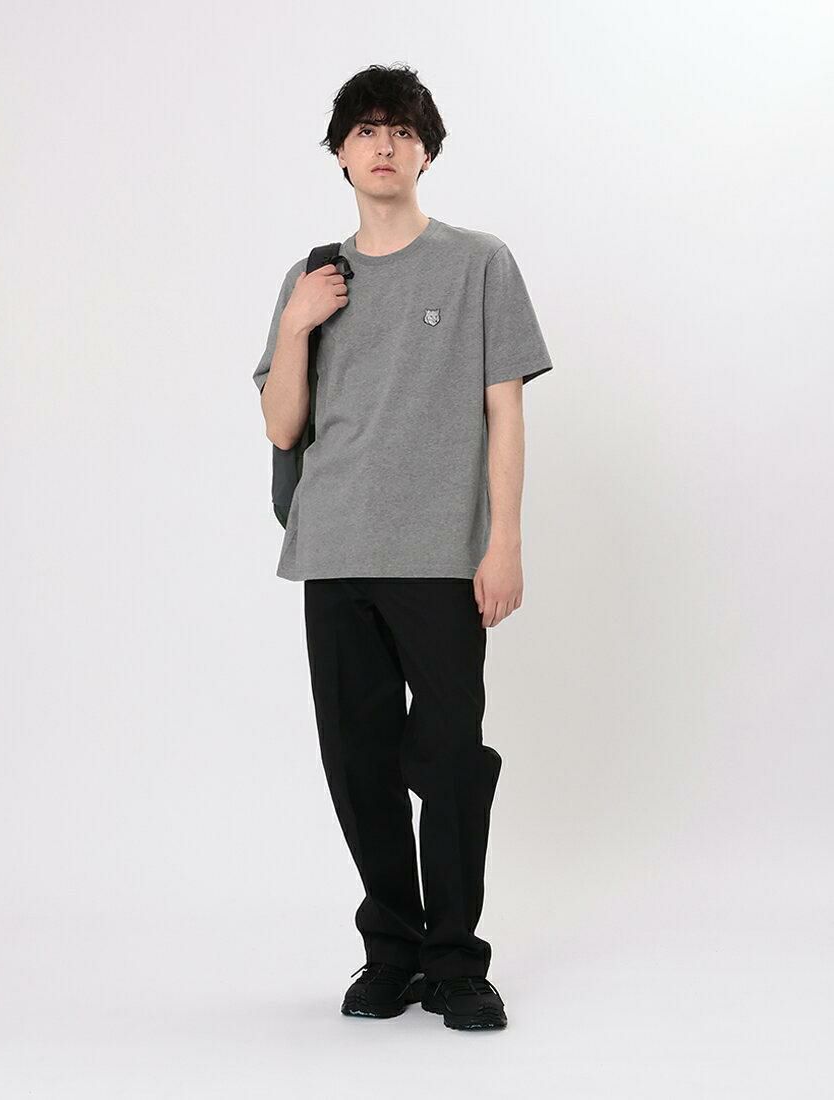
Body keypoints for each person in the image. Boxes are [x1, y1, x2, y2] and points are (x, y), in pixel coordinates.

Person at [253, 64, 554, 1032]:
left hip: (438, 556)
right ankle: (390, 948)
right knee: (358, 761)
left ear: (426, 151)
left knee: (451, 756)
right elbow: (282, 423)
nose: (383, 145)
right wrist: (296, 324)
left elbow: (504, 411)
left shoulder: (478, 263)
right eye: (365, 130)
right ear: (341, 153)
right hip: (335, 549)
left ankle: (455, 959)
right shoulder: (311, 279)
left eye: (402, 131)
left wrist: (503, 542)